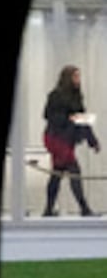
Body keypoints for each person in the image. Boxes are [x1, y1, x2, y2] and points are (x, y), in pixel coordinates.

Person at [43, 65, 100, 217]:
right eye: (75, 76)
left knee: (57, 173)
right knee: (74, 170)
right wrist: (68, 118)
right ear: (68, 78)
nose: (78, 79)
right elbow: (48, 115)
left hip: (67, 139)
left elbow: (83, 119)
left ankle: (48, 209)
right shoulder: (55, 95)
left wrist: (93, 141)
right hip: (56, 138)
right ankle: (84, 208)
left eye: (78, 76)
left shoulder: (77, 96)